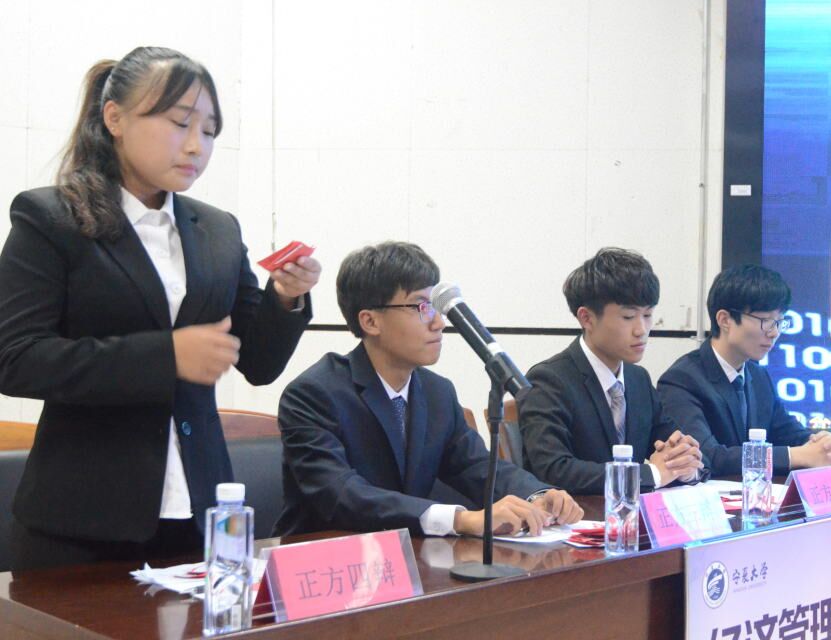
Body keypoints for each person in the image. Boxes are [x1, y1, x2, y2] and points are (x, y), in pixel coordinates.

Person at [0, 47, 320, 570]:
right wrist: (165, 356)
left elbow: (258, 362)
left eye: (210, 131)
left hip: (199, 514)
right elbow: (16, 358)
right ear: (115, 118)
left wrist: (285, 299)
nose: (197, 145)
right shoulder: (50, 217)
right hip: (82, 520)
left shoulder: (217, 229)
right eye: (179, 123)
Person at [273, 241, 582, 538]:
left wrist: (537, 495)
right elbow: (342, 494)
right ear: (370, 321)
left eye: (435, 306)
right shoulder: (314, 394)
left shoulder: (437, 392)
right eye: (421, 306)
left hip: (411, 556)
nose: (439, 323)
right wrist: (461, 519)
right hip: (322, 559)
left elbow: (475, 465)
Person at [518, 248, 704, 495]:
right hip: (580, 514)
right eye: (628, 317)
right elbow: (554, 470)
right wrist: (651, 474)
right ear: (587, 318)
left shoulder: (638, 379)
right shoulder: (549, 380)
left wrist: (687, 464)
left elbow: (671, 442)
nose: (642, 330)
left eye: (648, 315)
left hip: (631, 514)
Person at [657, 264, 831, 477]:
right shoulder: (682, 380)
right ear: (725, 320)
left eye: (779, 322)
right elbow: (706, 456)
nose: (774, 333)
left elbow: (788, 432)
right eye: (765, 321)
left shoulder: (758, 376)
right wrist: (797, 456)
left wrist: (825, 446)